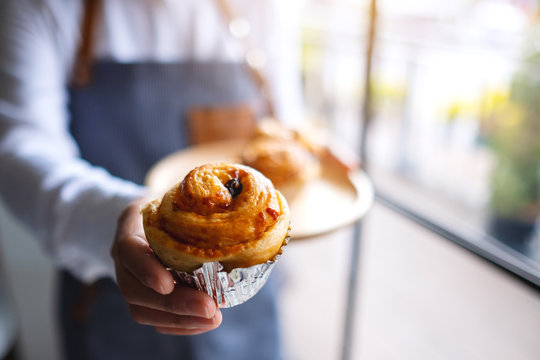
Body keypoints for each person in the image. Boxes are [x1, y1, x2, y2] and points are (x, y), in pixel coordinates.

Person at [0, 0, 302, 359]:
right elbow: (21, 147)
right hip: (109, 298)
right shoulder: (45, 7)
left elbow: (283, 122)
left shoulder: (263, 7)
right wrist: (112, 217)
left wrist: (308, 146)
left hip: (248, 305)